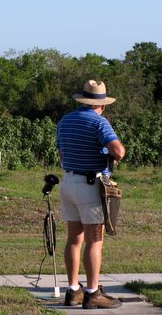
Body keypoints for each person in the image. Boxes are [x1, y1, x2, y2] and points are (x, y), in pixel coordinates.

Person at [57, 80, 126, 309]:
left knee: (74, 239)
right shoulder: (100, 123)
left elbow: (61, 152)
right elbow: (118, 151)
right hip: (90, 184)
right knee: (95, 241)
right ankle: (92, 291)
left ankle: (73, 289)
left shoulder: (65, 121)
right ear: (103, 105)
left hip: (69, 181)